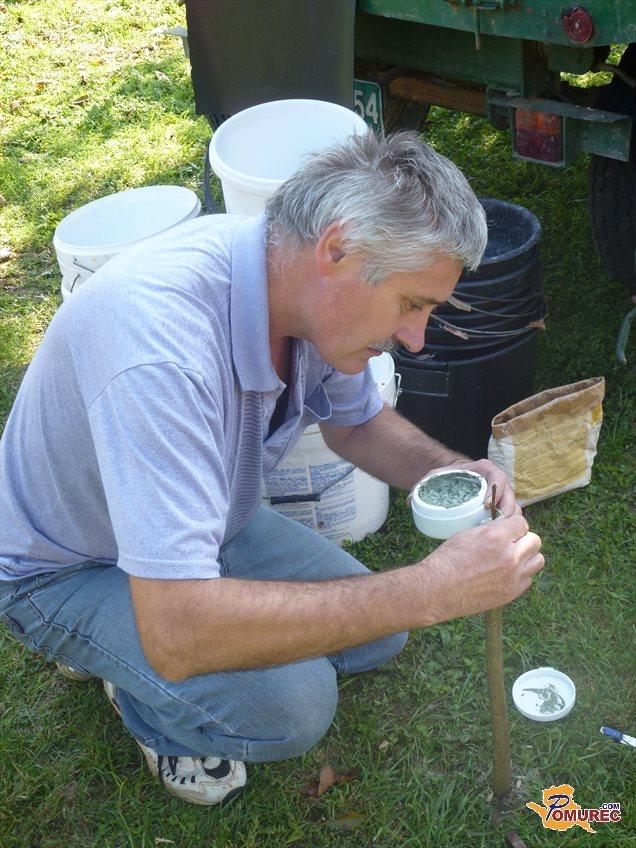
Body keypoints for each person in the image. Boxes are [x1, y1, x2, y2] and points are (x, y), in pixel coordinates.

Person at [0, 131, 543, 806]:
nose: (415, 338)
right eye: (412, 303)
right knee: (293, 706)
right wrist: (431, 588)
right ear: (337, 248)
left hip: (209, 518)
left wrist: (458, 473)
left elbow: (357, 425)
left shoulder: (297, 285)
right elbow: (177, 631)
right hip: (65, 567)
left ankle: (173, 610)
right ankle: (143, 701)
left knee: (381, 634)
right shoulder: (161, 352)